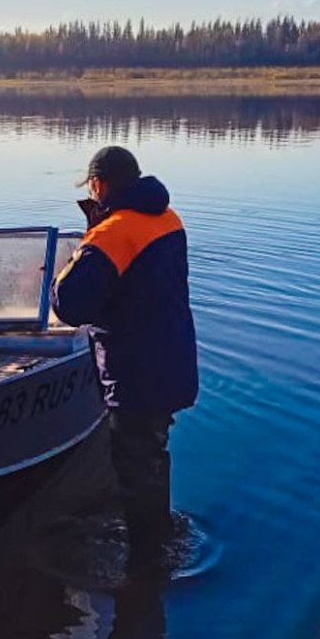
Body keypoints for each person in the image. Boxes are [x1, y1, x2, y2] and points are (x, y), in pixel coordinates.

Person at [50, 145, 198, 547]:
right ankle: (160, 538)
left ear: (99, 184)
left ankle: (147, 558)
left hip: (135, 371)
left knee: (134, 463)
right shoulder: (167, 219)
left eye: (93, 187)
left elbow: (69, 306)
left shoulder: (111, 234)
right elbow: (139, 284)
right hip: (171, 359)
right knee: (152, 455)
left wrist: (71, 264)